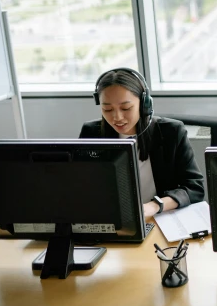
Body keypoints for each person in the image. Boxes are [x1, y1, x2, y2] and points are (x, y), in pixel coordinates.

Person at [80, 68, 204, 218]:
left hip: (159, 217)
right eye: (107, 109)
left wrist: (155, 205)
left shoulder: (171, 132)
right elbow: (82, 186)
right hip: (112, 218)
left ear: (144, 104)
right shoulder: (91, 133)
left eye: (126, 108)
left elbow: (194, 188)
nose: (117, 117)